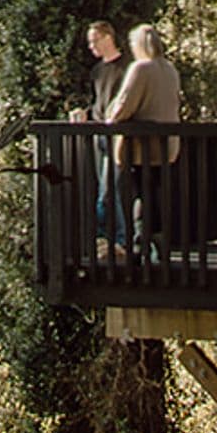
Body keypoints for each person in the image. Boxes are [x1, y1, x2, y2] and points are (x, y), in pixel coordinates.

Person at [107, 24, 182, 264]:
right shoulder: (170, 69)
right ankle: (158, 243)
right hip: (167, 146)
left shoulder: (141, 68)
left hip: (140, 148)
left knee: (136, 194)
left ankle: (140, 243)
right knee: (156, 194)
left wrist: (110, 117)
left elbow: (125, 104)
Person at [70, 22, 129, 249]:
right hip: (99, 136)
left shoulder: (127, 67)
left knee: (107, 191)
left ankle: (115, 241)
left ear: (107, 37)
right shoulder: (96, 71)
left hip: (119, 136)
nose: (91, 46)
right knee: (106, 190)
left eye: (94, 40)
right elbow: (98, 104)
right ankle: (115, 241)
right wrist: (84, 114)